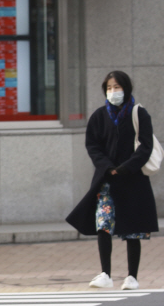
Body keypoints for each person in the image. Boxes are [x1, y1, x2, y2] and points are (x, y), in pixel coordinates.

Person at [66, 70, 159, 291]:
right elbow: (93, 146)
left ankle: (132, 277)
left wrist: (126, 168)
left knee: (132, 229)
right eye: (109, 88)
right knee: (103, 224)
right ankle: (105, 273)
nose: (113, 92)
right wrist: (108, 167)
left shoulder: (139, 114)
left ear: (126, 88)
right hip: (107, 180)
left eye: (117, 87)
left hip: (133, 180)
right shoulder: (99, 116)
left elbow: (146, 146)